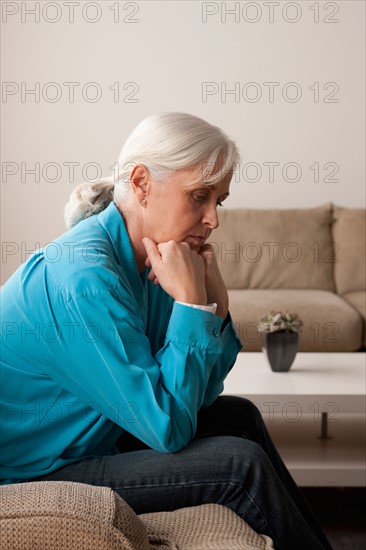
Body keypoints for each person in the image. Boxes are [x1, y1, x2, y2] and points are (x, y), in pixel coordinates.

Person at [0, 112, 332, 549]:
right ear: (140, 184)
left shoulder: (153, 261)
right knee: (239, 465)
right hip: (36, 467)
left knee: (240, 416)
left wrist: (217, 306)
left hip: (97, 435)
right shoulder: (84, 277)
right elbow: (167, 428)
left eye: (220, 200)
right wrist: (194, 307)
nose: (213, 218)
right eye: (200, 196)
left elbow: (200, 396)